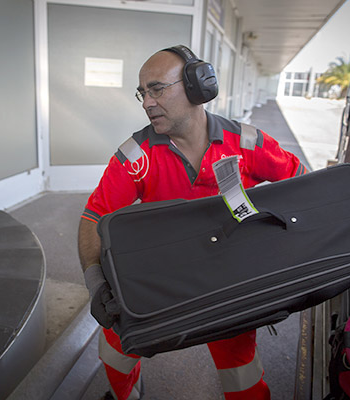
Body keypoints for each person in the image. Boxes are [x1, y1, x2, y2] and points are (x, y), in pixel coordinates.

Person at [78, 45, 307, 400]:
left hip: (229, 280)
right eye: (142, 93)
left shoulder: (246, 143)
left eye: (156, 89)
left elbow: (303, 185)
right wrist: (95, 282)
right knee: (115, 352)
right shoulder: (136, 156)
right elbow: (94, 215)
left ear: (198, 87)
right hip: (161, 276)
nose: (146, 102)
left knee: (242, 373)